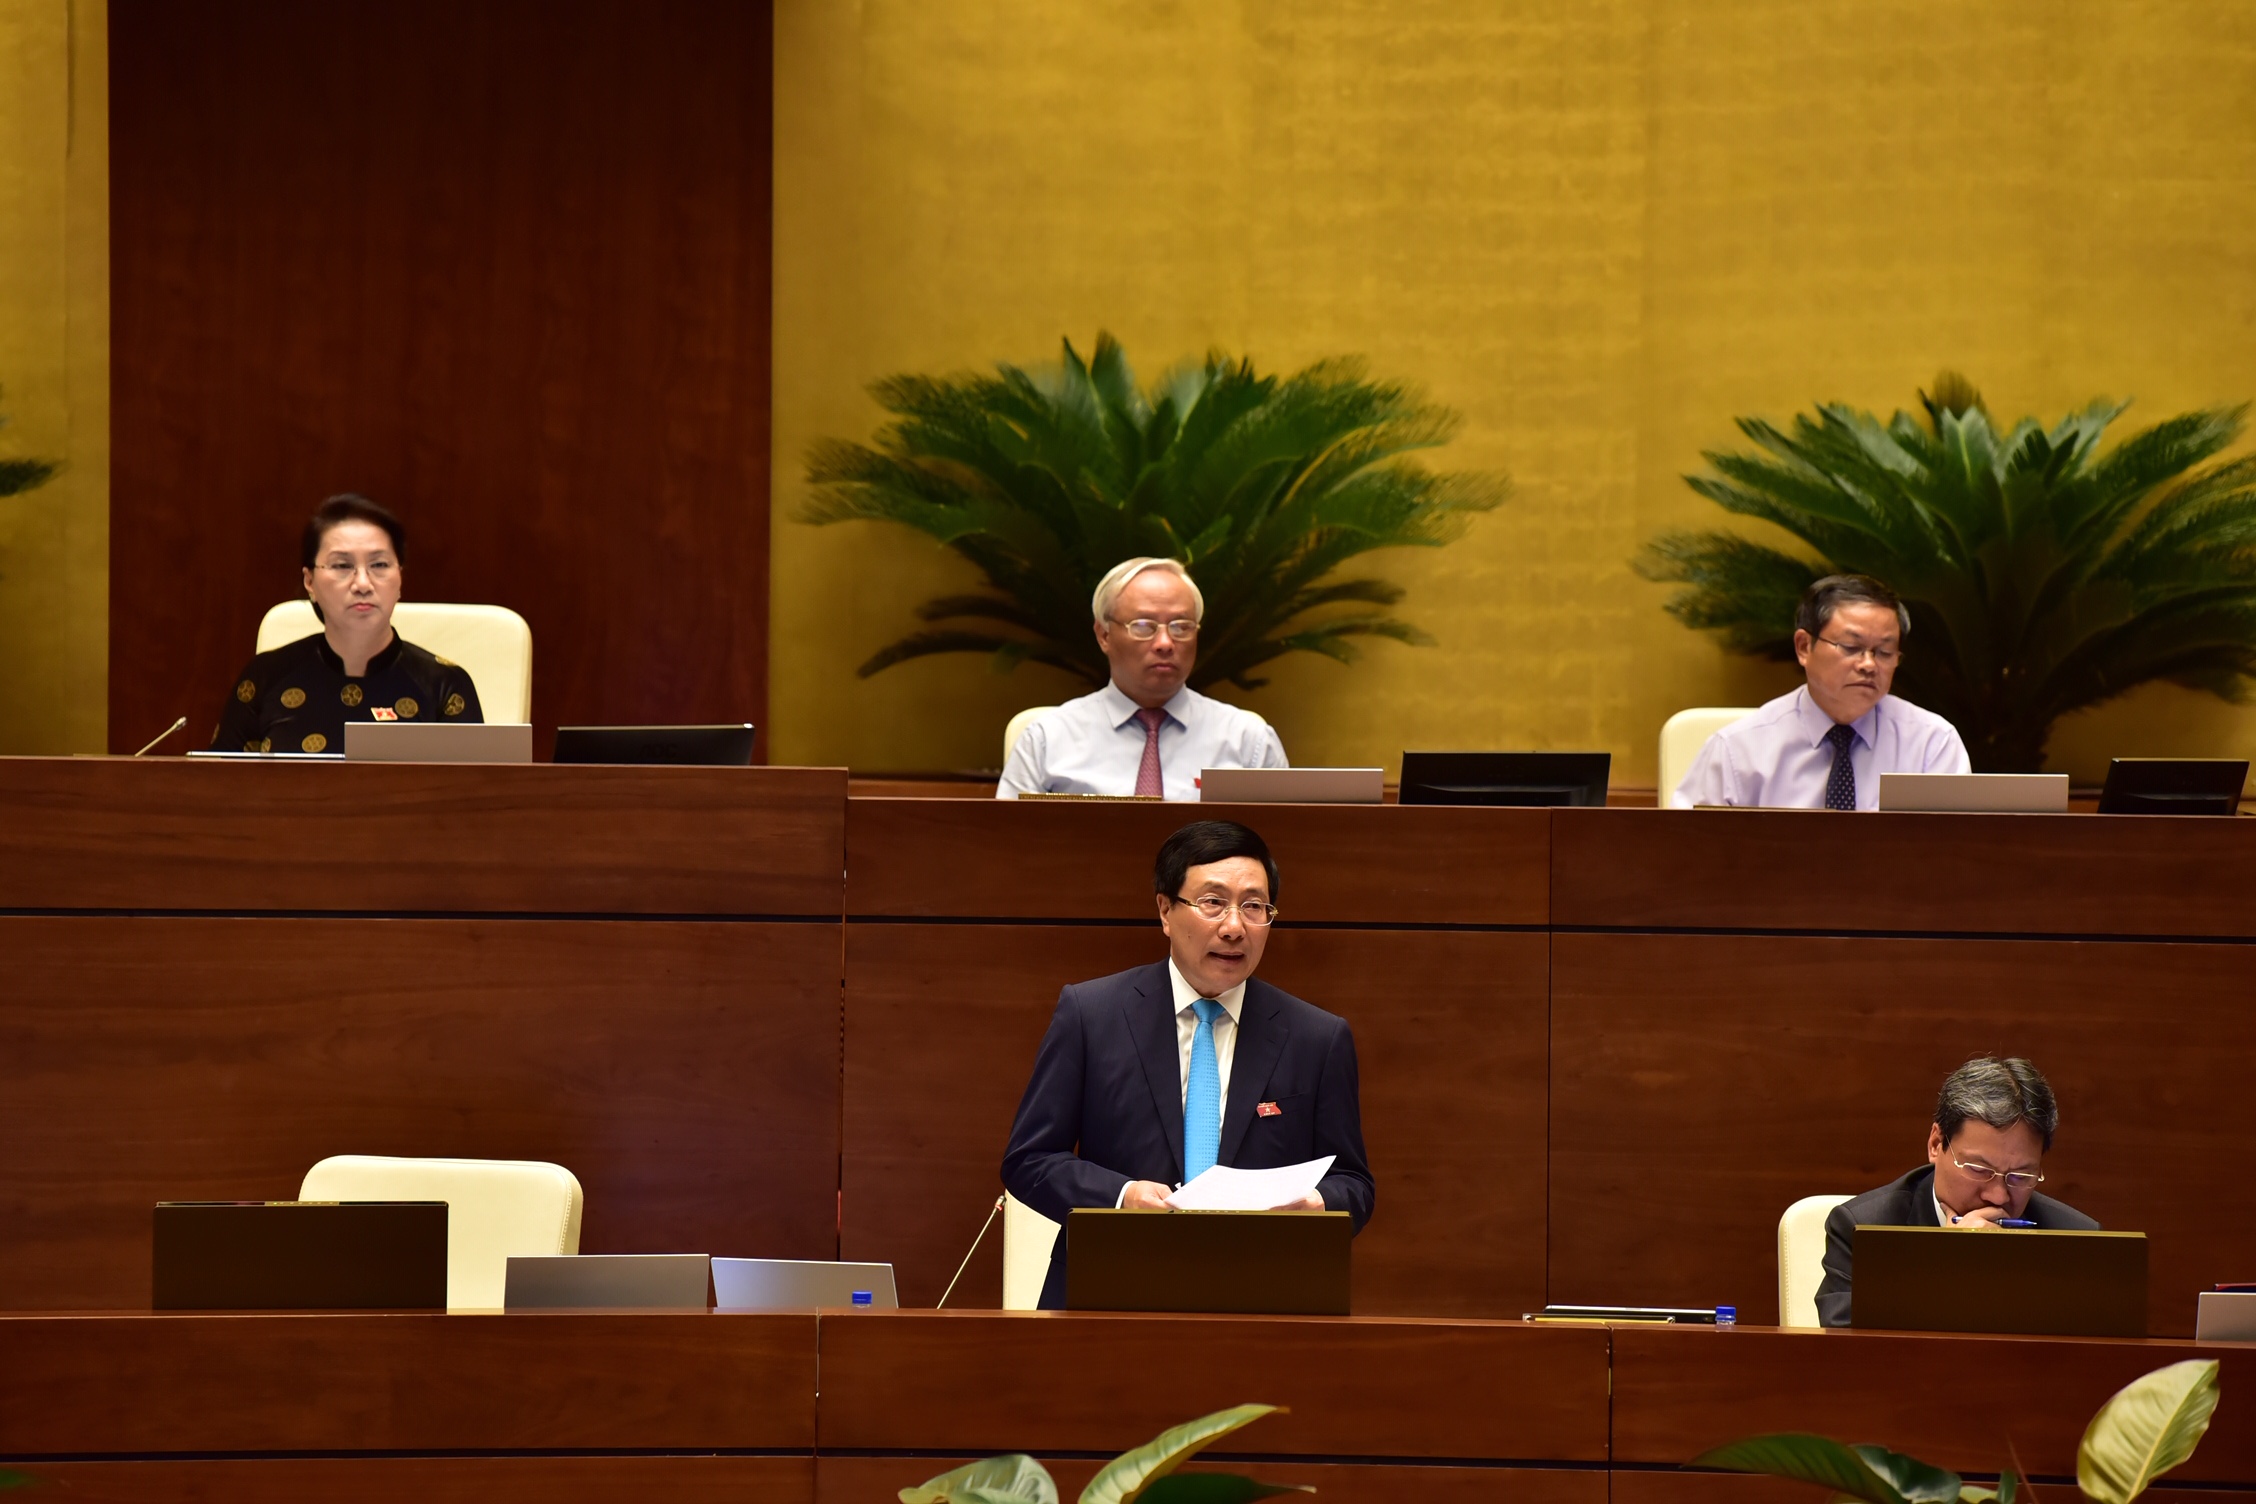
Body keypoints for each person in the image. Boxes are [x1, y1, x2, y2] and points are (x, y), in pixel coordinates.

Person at [1000, 819, 1375, 1309]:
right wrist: (1122, 1196)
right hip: (1109, 1294)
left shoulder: (1317, 1038)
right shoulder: (1091, 1015)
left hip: (1264, 1299)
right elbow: (1029, 1159)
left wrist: (1317, 1204)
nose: (1235, 927)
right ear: (1165, 910)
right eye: (1213, 902)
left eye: (1254, 907)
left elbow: (1354, 1184)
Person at [1815, 1056, 2098, 1327]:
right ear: (1936, 1144)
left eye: (2020, 1176)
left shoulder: (2079, 1242)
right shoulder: (1863, 1230)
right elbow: (1847, 1347)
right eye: (1979, 1169)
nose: (1998, 1196)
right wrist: (1948, 1268)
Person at [209, 494, 484, 754]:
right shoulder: (264, 678)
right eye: (342, 566)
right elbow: (219, 784)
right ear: (309, 581)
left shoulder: (445, 686)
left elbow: (472, 787)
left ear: (400, 578)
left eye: (379, 565)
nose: (363, 584)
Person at [997, 557, 1287, 799]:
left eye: (1181, 626)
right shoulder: (1046, 740)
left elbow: (1287, 841)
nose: (1165, 643)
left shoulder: (1248, 741)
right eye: (1143, 626)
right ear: (1104, 635)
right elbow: (1006, 841)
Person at [1672, 574, 1969, 810]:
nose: (1869, 664)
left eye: (1884, 652)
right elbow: (1687, 849)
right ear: (1804, 647)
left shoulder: (1931, 744)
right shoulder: (1738, 750)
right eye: (1851, 647)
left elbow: (1956, 852)